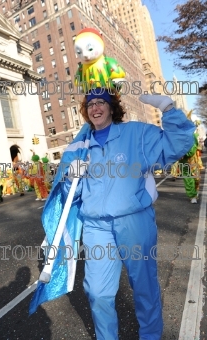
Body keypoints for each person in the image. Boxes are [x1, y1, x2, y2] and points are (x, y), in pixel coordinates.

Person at [60, 88, 195, 340]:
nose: (95, 108)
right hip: (96, 227)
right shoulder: (80, 145)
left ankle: (151, 336)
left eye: (101, 102)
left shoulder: (136, 134)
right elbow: (69, 194)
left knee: (144, 287)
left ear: (112, 107)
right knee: (98, 292)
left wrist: (168, 109)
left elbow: (178, 143)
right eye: (90, 104)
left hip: (134, 221)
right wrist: (70, 177)